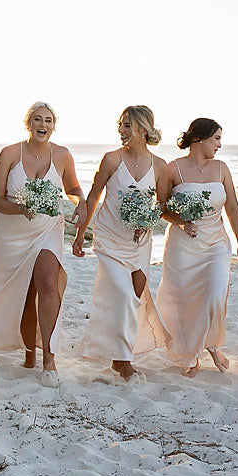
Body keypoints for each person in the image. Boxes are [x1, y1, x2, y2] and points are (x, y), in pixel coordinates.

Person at [0, 101, 83, 388]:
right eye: (38, 119)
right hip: (13, 233)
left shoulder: (61, 155)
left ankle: (49, 358)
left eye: (48, 120)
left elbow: (72, 188)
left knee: (48, 283)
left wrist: (81, 201)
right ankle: (28, 350)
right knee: (25, 295)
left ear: (53, 126)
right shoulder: (10, 154)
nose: (43, 125)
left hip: (48, 228)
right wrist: (21, 209)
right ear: (29, 123)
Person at [74, 105, 171, 381]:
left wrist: (148, 222)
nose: (121, 131)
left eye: (127, 125)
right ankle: (125, 359)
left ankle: (118, 357)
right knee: (122, 294)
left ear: (143, 129)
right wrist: (82, 233)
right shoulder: (111, 159)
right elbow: (93, 197)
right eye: (120, 125)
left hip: (139, 243)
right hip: (109, 237)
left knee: (135, 296)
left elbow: (161, 206)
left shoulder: (160, 166)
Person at [158, 117, 238, 377]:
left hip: (216, 244)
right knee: (185, 301)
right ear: (199, 139)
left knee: (214, 295)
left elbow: (232, 207)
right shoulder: (172, 169)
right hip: (183, 245)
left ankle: (210, 344)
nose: (220, 145)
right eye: (217, 138)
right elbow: (162, 209)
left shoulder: (221, 168)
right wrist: (183, 222)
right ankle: (193, 354)